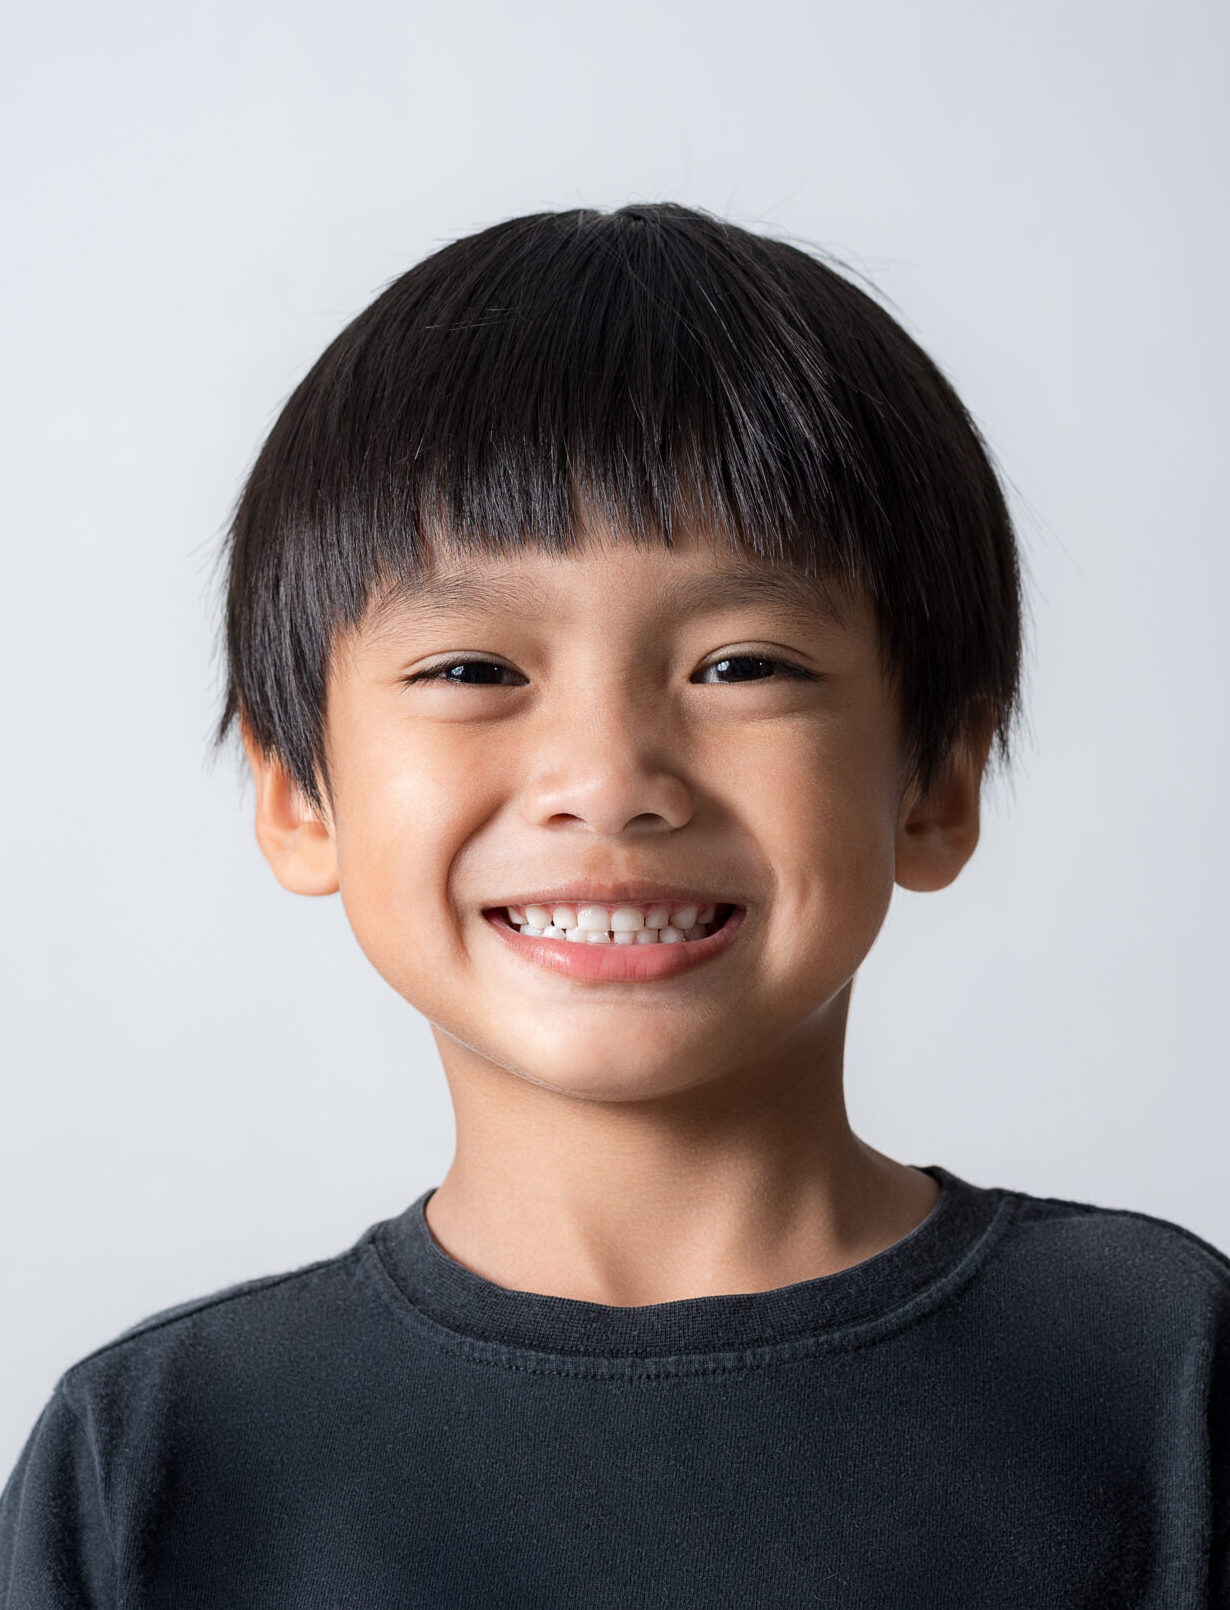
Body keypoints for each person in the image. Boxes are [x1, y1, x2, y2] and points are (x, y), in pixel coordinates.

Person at [2, 202, 1226, 1607]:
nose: (607, 781)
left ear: (935, 779)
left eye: (741, 662)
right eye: (471, 668)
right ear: (299, 793)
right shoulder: (152, 1461)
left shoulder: (1159, 1371)